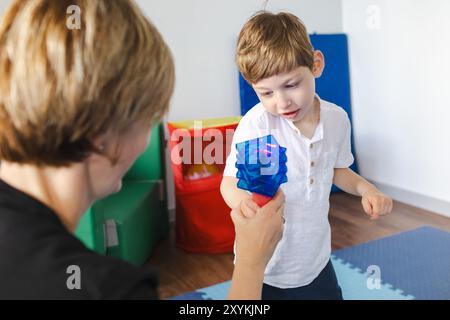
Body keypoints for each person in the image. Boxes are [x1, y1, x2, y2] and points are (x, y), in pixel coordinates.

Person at [0, 0, 284, 299]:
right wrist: (252, 263)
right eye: (149, 118)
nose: (147, 140)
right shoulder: (109, 289)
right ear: (103, 131)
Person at [221, 11, 394, 300]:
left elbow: (337, 170)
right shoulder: (258, 126)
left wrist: (366, 188)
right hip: (268, 268)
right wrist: (245, 205)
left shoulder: (336, 119)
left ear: (316, 64)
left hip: (315, 261)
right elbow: (229, 183)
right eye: (266, 93)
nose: (282, 102)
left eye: (291, 85)